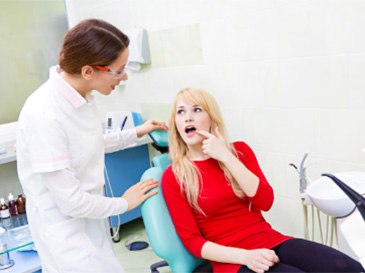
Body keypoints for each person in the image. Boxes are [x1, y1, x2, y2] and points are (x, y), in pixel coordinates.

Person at [16, 19, 168, 273]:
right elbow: (71, 202)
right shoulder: (44, 114)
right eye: (118, 71)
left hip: (89, 220)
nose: (124, 77)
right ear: (88, 71)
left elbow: (90, 141)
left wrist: (138, 132)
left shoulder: (80, 96)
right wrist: (124, 203)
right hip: (65, 232)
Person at [162, 88, 364, 273]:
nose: (188, 117)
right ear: (176, 123)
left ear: (211, 118)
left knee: (347, 267)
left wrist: (226, 157)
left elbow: (265, 201)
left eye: (196, 109)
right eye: (180, 112)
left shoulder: (240, 152)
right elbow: (193, 242)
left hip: (269, 239)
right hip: (233, 261)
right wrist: (246, 256)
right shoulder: (174, 176)